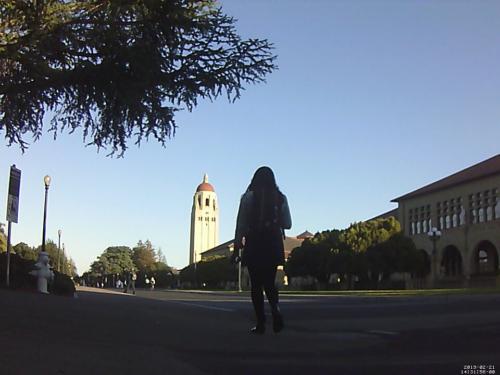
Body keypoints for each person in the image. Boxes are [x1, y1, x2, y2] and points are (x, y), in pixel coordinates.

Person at [233, 166, 292, 334]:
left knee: (256, 285)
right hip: (273, 242)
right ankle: (275, 308)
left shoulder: (248, 197)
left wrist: (237, 246)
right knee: (269, 281)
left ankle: (260, 323)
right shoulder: (281, 198)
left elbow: (241, 224)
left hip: (255, 242)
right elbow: (288, 223)